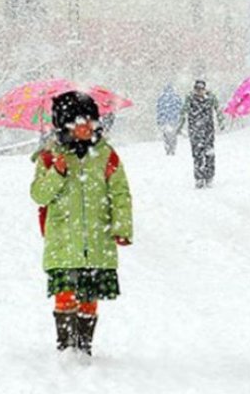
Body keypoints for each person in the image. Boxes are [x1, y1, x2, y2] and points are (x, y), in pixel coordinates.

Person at [30, 91, 133, 357]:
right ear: (64, 125)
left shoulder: (106, 155)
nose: (86, 127)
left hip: (97, 240)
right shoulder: (49, 157)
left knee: (89, 295)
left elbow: (120, 192)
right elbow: (39, 195)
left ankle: (84, 345)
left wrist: (121, 227)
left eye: (90, 121)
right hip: (63, 241)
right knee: (65, 293)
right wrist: (57, 172)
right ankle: (66, 346)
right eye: (79, 122)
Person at [179, 79, 220, 188]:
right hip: (195, 131)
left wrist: (221, 121)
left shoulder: (210, 98)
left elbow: (218, 109)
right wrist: (179, 126)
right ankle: (199, 178)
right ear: (194, 89)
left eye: (201, 89)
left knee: (209, 154)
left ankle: (209, 177)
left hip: (208, 130)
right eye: (197, 89)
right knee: (197, 155)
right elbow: (183, 112)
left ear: (205, 89)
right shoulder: (190, 98)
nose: (199, 91)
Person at [156, 83, 183, 156]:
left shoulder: (161, 98)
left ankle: (168, 147)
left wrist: (159, 120)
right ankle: (173, 147)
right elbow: (180, 108)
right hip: (174, 120)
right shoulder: (176, 97)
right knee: (173, 135)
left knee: (166, 135)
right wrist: (179, 118)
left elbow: (159, 109)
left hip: (164, 120)